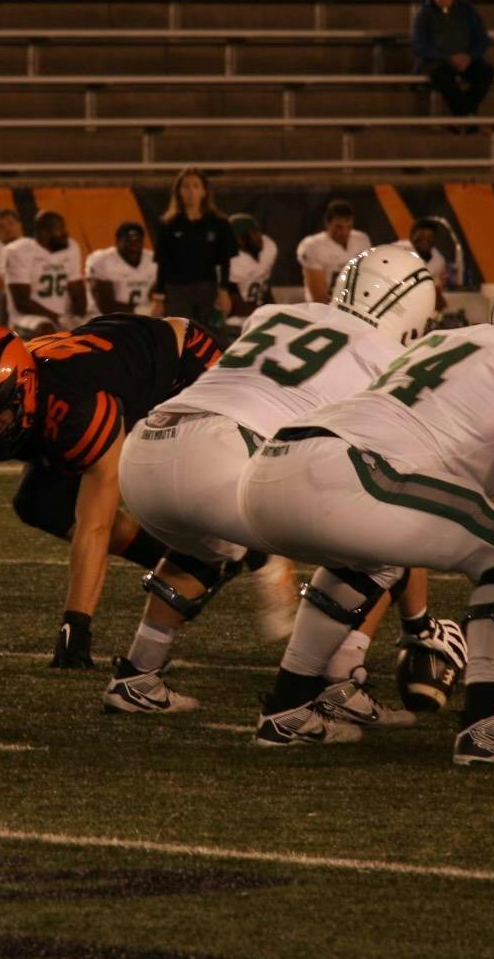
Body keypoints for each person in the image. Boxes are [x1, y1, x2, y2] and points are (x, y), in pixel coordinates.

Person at [239, 271, 494, 762]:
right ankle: (487, 723)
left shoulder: (449, 341)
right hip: (347, 470)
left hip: (273, 464)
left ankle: (287, 707)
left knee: (374, 558)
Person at [108, 247, 441, 721]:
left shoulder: (277, 313)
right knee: (384, 545)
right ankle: (326, 689)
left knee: (209, 545)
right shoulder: (392, 358)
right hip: (227, 452)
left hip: (146, 450)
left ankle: (136, 675)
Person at [0, 315, 223, 668]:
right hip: (106, 359)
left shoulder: (77, 403)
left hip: (184, 363)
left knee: (180, 490)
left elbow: (94, 526)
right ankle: (173, 561)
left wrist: (75, 624)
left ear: (24, 388)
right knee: (42, 505)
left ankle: (241, 553)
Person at [150, 166, 233, 327]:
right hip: (176, 291)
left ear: (204, 191)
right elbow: (163, 264)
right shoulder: (168, 224)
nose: (190, 191)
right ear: (178, 191)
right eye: (186, 186)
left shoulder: (218, 223)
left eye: (195, 186)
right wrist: (159, 299)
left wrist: (224, 292)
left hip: (207, 289)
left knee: (208, 337)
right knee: (179, 338)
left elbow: (225, 261)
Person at [410, 0, 494, 118]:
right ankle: (466, 115)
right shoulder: (424, 14)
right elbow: (419, 46)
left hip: (466, 59)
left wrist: (469, 56)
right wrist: (447, 58)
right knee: (443, 76)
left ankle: (463, 113)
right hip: (437, 62)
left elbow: (482, 39)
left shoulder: (467, 11)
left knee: (485, 73)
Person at [0, 209, 85, 338]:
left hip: (63, 317)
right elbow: (22, 302)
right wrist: (58, 318)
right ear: (44, 233)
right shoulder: (19, 251)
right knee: (46, 329)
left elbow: (77, 289)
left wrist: (80, 318)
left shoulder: (71, 248)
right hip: (25, 319)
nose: (65, 233)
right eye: (59, 229)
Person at [296, 198, 369, 302]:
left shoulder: (362, 240)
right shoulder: (312, 246)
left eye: (349, 227)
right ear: (327, 223)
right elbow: (319, 298)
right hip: (323, 309)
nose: (344, 233)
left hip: (354, 305)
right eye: (339, 227)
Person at [87, 222, 157, 316]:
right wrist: (140, 312)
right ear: (118, 241)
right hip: (105, 320)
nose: (133, 247)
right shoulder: (101, 260)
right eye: (128, 241)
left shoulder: (153, 260)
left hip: (142, 319)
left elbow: (158, 297)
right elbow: (106, 305)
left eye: (137, 241)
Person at [224, 213, 277, 323]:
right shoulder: (232, 262)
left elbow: (266, 288)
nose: (259, 236)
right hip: (239, 316)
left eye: (257, 231)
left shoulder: (268, 247)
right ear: (239, 240)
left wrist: (274, 311)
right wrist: (264, 316)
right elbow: (236, 306)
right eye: (253, 233)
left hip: (260, 309)